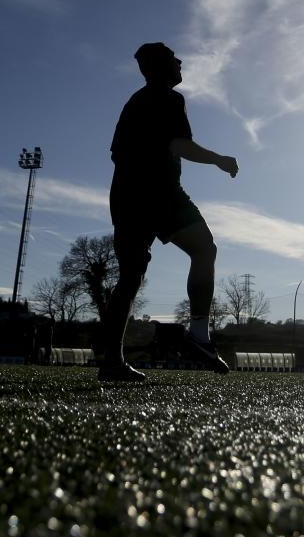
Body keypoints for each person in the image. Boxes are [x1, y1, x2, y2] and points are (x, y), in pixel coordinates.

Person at [98, 42, 239, 381]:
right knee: (204, 249)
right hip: (159, 194)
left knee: (130, 277)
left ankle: (112, 363)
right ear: (162, 67)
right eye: (174, 59)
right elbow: (180, 145)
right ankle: (199, 337)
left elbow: (116, 154)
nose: (180, 61)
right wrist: (220, 159)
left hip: (126, 195)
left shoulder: (135, 102)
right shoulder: (169, 98)